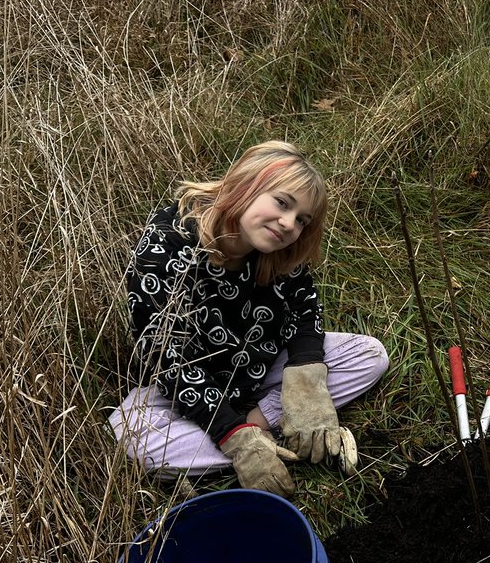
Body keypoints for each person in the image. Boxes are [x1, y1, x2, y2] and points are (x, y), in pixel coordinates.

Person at [109, 141, 389, 497]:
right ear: (246, 185)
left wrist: (307, 382)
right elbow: (169, 361)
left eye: (302, 219)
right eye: (282, 202)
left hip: (261, 365)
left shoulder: (280, 249)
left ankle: (267, 428)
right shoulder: (168, 243)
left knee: (369, 355)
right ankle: (257, 444)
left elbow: (306, 310)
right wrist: (234, 435)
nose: (289, 224)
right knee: (128, 437)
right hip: (193, 385)